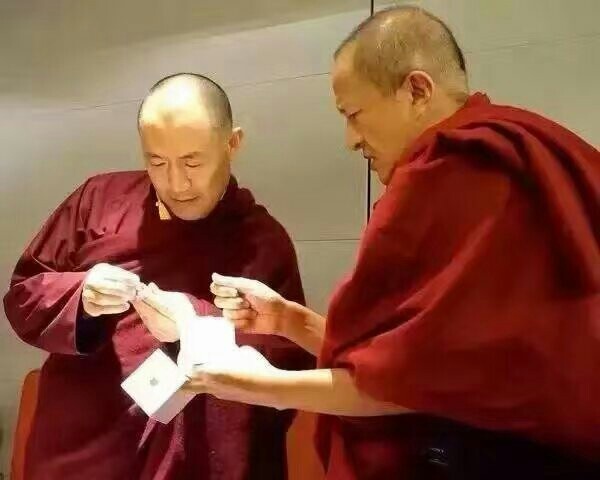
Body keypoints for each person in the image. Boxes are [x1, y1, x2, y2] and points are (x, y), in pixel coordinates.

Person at [182, 7, 600, 479]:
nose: (350, 139)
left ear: (417, 90)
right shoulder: (531, 146)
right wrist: (289, 320)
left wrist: (260, 386)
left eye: (354, 115)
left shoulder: (452, 171)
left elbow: (404, 389)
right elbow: (419, 362)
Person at [3, 73, 312, 480]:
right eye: (157, 162)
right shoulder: (99, 201)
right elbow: (24, 293)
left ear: (232, 143)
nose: (176, 183)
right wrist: (80, 296)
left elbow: (286, 371)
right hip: (86, 452)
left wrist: (194, 324)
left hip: (197, 462)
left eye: (192, 162)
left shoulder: (262, 243)